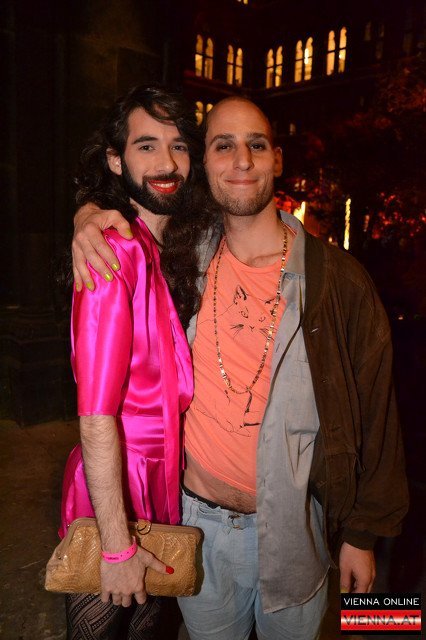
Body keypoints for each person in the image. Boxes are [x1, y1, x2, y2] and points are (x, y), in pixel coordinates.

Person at [72, 97, 408, 640]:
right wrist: (88, 215)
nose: (242, 160)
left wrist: (363, 535)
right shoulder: (183, 257)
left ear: (277, 158)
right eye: (223, 145)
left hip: (297, 532)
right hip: (197, 530)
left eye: (256, 144)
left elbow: (378, 414)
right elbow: (129, 201)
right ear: (203, 165)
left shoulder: (339, 281)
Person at [60, 85, 213, 639]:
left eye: (179, 145)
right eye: (146, 146)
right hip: (115, 487)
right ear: (114, 160)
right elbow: (96, 414)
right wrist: (117, 545)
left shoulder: (173, 248)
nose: (167, 163)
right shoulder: (115, 251)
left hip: (164, 480)